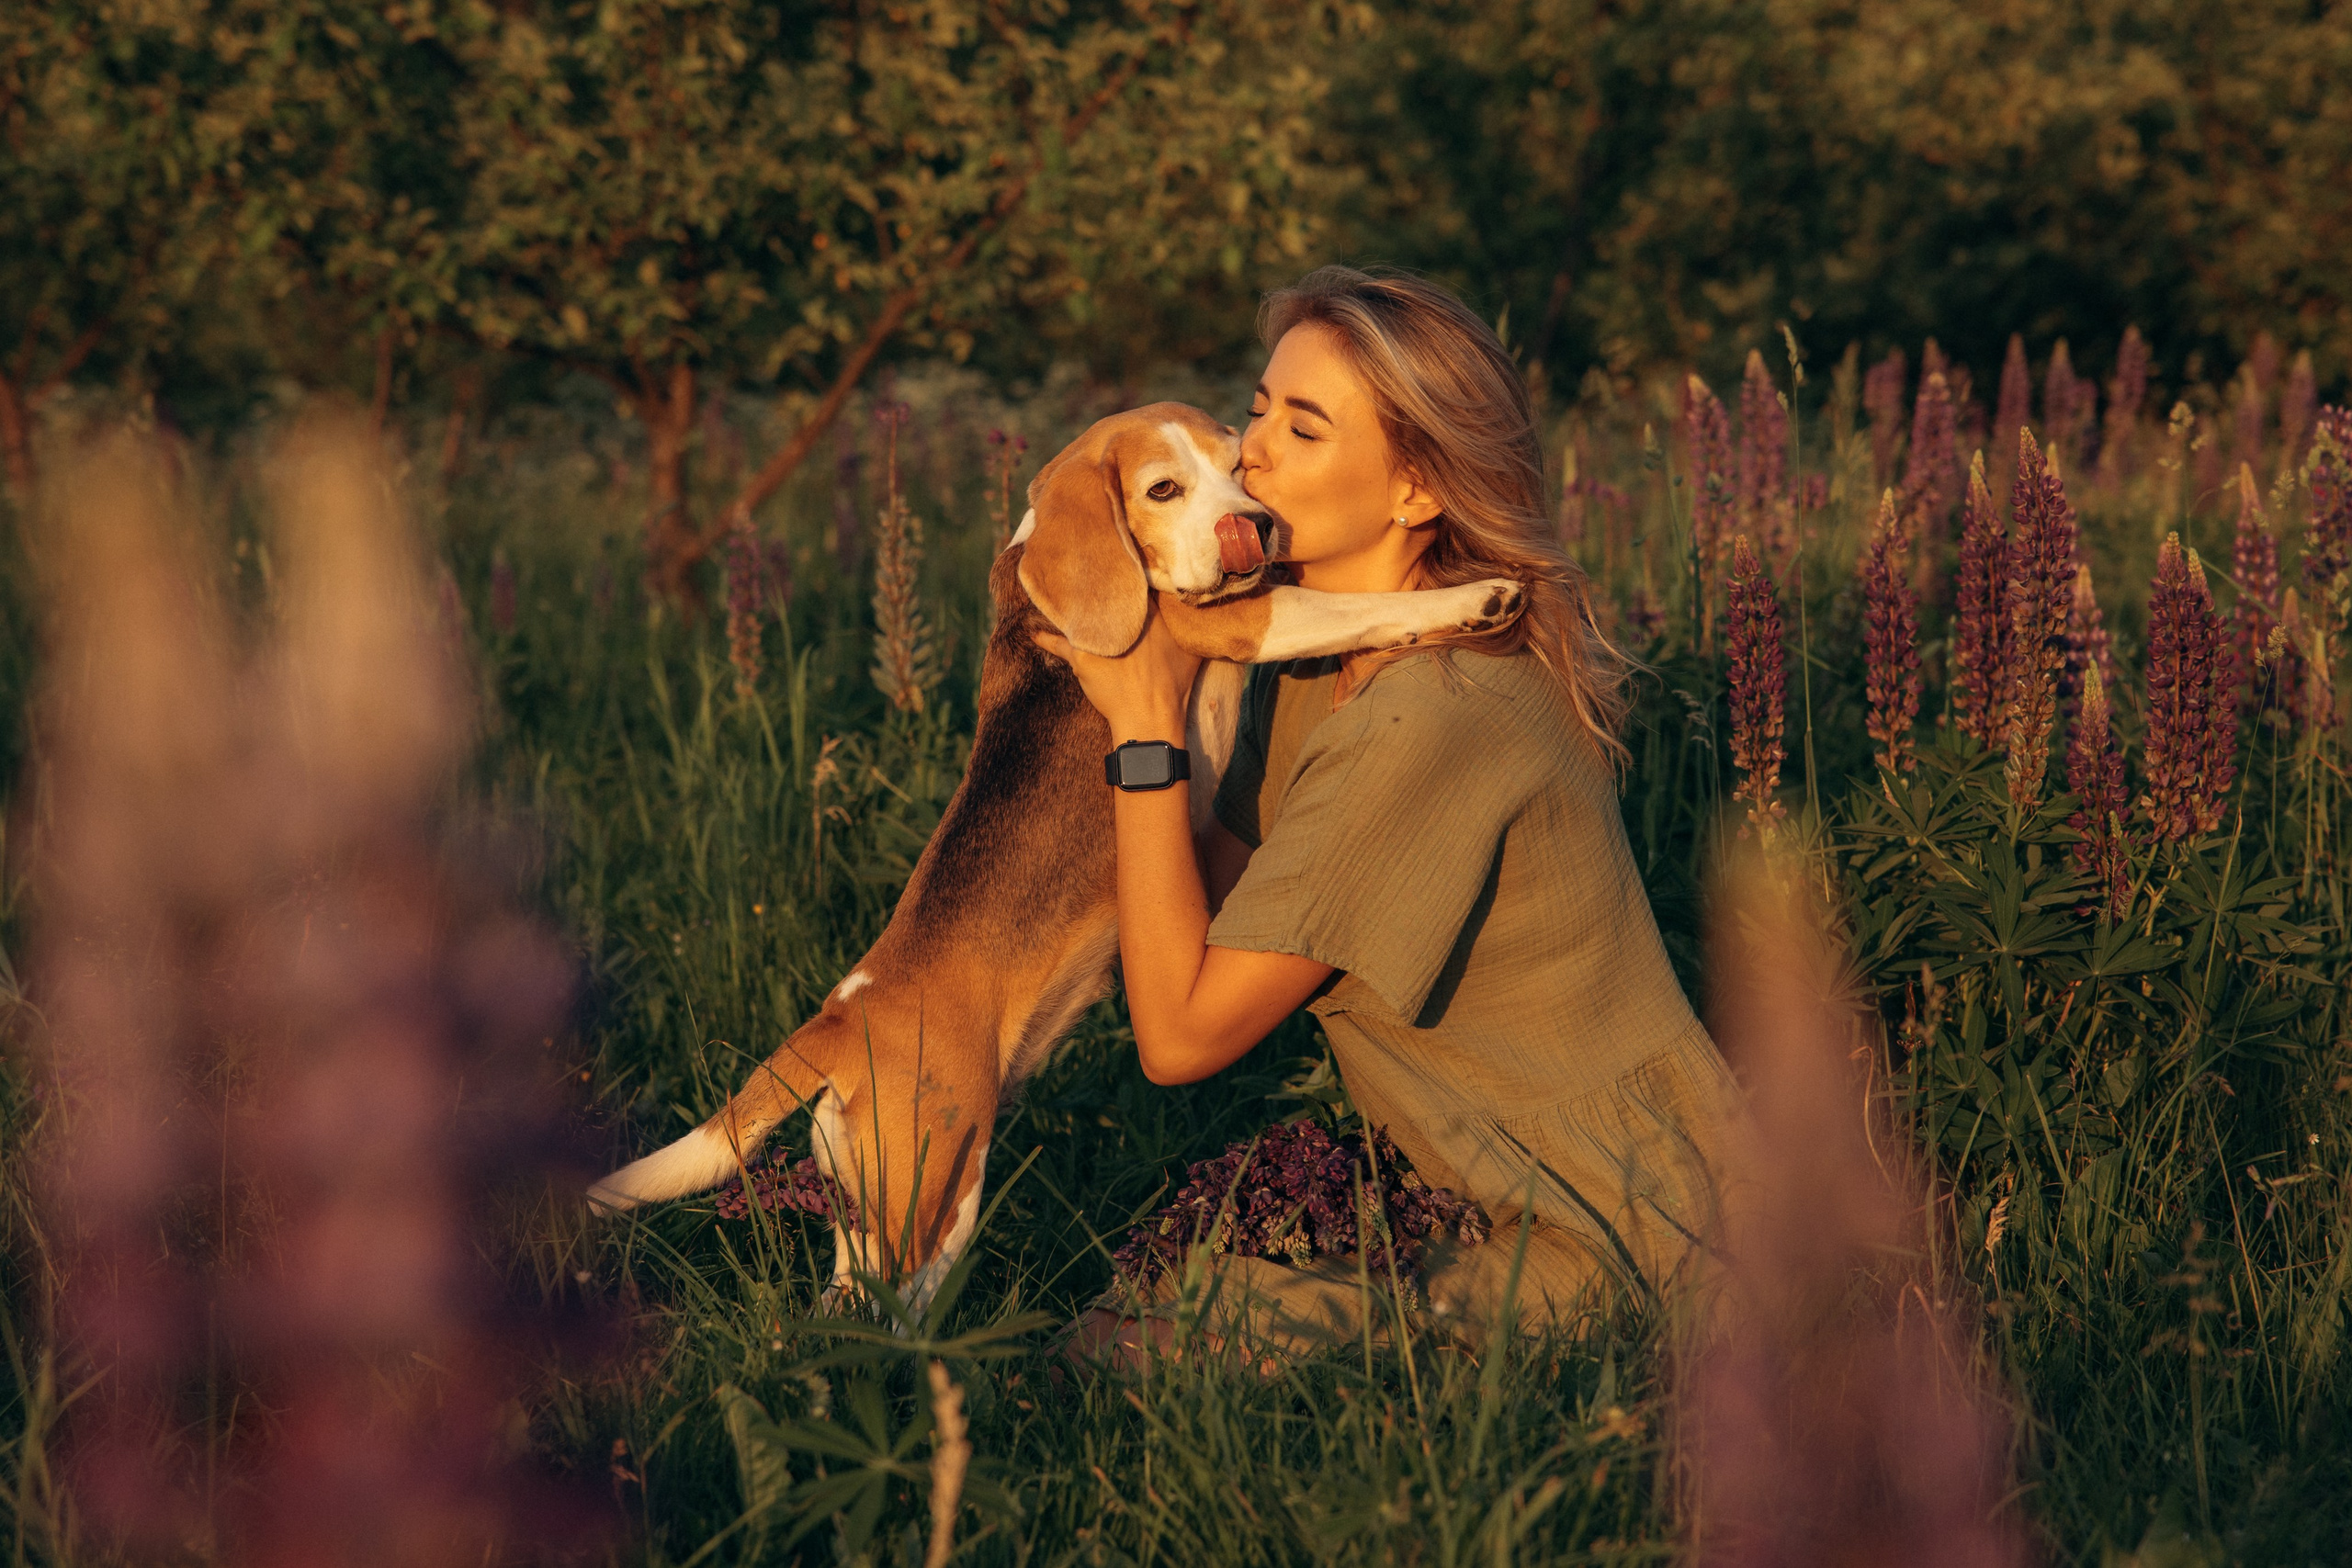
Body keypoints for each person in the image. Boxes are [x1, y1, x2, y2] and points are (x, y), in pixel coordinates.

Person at [1038, 265, 1738, 1363]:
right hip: (1490, 1186)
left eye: (1302, 428)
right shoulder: (1333, 664)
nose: (1249, 450)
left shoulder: (1433, 715)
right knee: (1163, 1299)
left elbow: (1176, 1037)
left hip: (1627, 1224)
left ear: (1414, 490)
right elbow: (1205, 910)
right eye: (1258, 407)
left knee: (1125, 1348)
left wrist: (1142, 734)